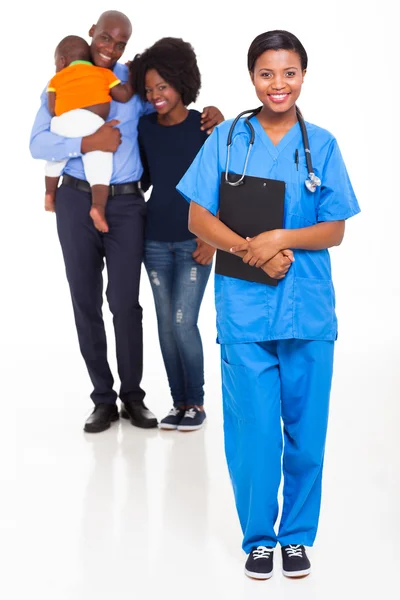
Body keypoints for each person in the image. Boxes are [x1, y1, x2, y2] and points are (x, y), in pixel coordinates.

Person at [177, 30, 360, 579]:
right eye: (266, 73)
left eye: (289, 73)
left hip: (307, 311)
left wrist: (279, 238)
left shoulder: (320, 143)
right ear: (252, 77)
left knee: (306, 431)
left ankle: (297, 536)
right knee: (252, 432)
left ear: (303, 75)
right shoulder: (228, 141)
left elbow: (334, 230)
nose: (278, 84)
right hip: (246, 313)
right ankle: (259, 537)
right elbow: (197, 218)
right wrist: (248, 249)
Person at [29, 10, 223, 434]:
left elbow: (171, 116)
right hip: (75, 199)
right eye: (105, 38)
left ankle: (133, 398)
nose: (110, 47)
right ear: (91, 34)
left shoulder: (132, 85)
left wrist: (211, 116)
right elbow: (38, 141)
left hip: (129, 205)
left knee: (124, 303)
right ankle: (102, 399)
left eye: (119, 43)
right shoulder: (63, 79)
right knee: (85, 300)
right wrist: (87, 142)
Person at [131, 38, 217, 432]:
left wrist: (211, 238)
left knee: (184, 323)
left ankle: (196, 402)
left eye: (162, 87)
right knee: (166, 325)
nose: (155, 96)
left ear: (181, 81)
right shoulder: (145, 127)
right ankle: (178, 402)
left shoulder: (205, 126)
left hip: (193, 243)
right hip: (154, 241)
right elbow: (145, 177)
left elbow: (222, 189)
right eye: (149, 90)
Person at [45, 34, 133, 233]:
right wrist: (133, 77)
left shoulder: (55, 79)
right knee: (100, 164)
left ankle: (50, 193)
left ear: (62, 61)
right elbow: (124, 95)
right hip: (93, 123)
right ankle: (98, 208)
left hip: (63, 123)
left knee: (55, 160)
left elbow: (52, 109)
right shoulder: (103, 73)